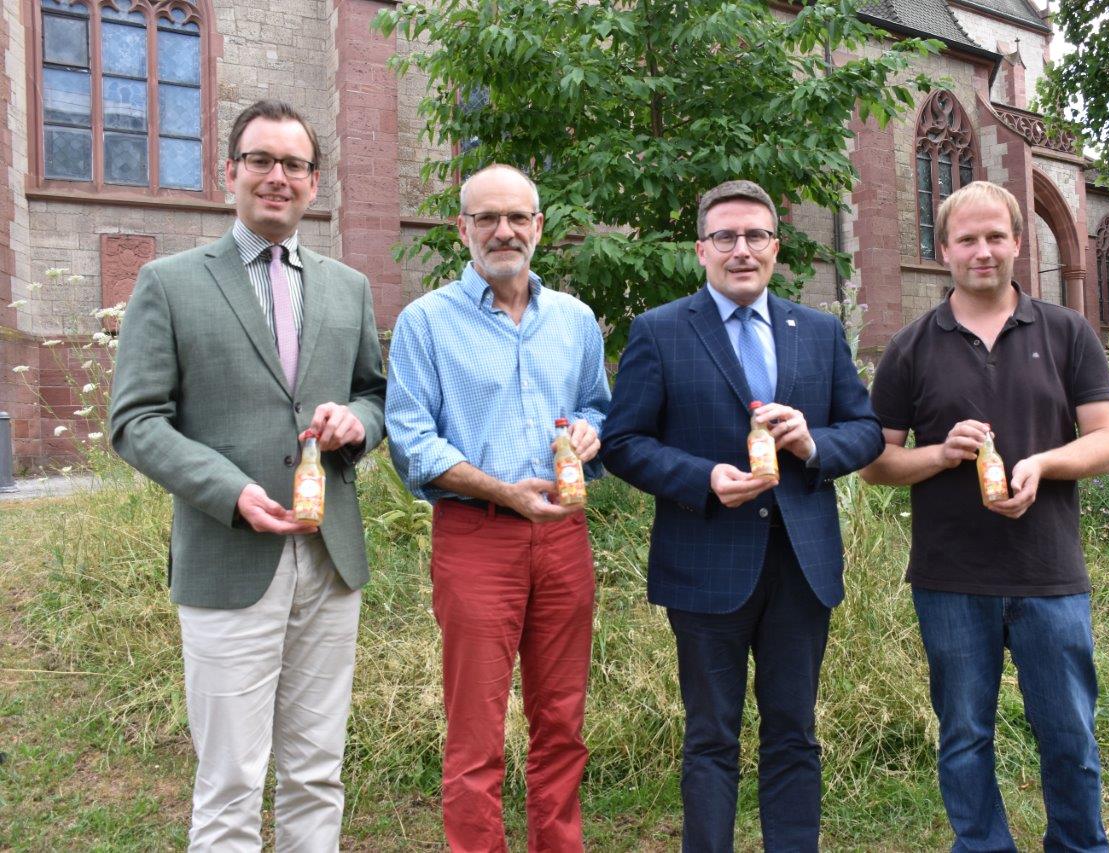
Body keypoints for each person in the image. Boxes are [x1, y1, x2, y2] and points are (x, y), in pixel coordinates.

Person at [109, 100, 386, 851]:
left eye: (294, 164)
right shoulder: (169, 283)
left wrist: (358, 423)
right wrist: (227, 490)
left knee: (318, 770)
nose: (277, 177)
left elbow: (374, 391)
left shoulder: (348, 287)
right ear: (228, 172)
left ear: (313, 182)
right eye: (261, 160)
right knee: (231, 778)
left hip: (330, 558)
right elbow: (133, 421)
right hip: (227, 558)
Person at [600, 180, 884, 851]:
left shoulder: (817, 331)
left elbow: (866, 429)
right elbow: (622, 442)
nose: (741, 249)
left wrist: (814, 443)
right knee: (710, 737)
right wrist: (701, 478)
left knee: (793, 730)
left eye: (755, 235)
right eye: (725, 237)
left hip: (800, 562)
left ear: (775, 247)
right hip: (704, 564)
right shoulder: (660, 330)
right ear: (701, 250)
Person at [859, 180, 1109, 852]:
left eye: (996, 236)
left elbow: (1108, 442)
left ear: (1017, 243)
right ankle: (982, 845)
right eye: (968, 239)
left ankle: (1079, 844)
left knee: (1069, 732)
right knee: (965, 735)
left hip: (1049, 570)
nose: (983, 251)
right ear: (943, 247)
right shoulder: (911, 346)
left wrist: (1042, 465)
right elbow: (877, 463)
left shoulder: (1066, 331)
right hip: (951, 576)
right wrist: (942, 455)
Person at [385, 164, 610, 852]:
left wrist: (591, 430)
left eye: (517, 217)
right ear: (463, 229)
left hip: (564, 538)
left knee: (562, 723)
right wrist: (502, 489)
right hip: (476, 536)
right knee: (476, 733)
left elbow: (598, 403)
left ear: (539, 227)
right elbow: (411, 439)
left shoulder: (573, 321)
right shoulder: (425, 322)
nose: (503, 231)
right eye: (487, 218)